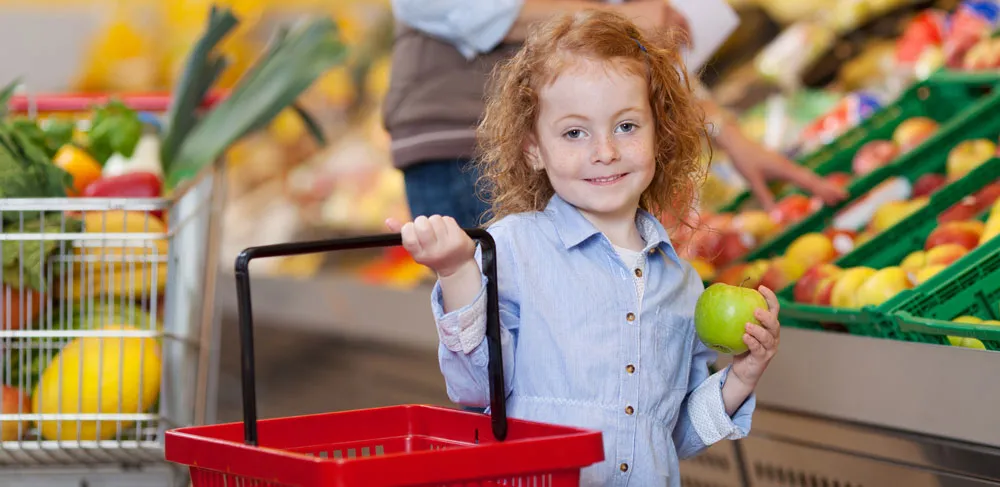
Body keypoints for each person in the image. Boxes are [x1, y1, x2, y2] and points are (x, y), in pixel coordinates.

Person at [385, 10, 781, 485]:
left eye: (627, 126)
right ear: (534, 147)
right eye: (575, 132)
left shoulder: (680, 282)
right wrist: (456, 273)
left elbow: (671, 434)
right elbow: (472, 388)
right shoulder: (514, 248)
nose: (605, 151)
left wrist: (741, 376)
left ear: (661, 131)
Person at [383, 0, 847, 228]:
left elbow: (623, 50)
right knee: (521, 351)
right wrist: (613, 15)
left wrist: (721, 128)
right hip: (466, 146)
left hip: (580, 130)